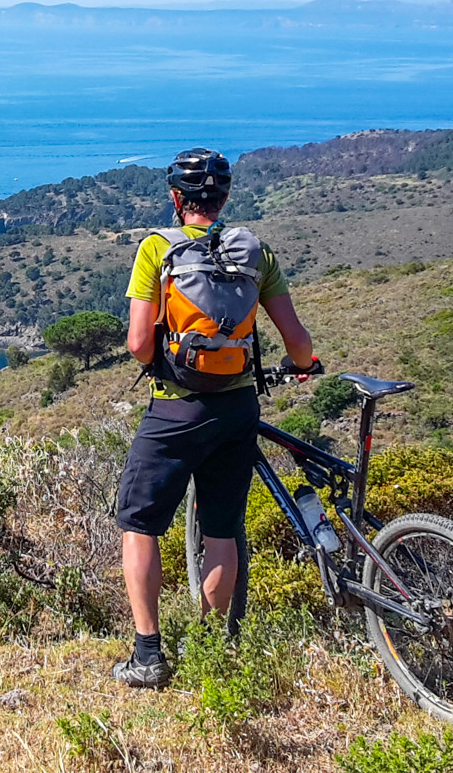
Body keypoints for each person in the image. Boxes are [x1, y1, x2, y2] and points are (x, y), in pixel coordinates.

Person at [111, 148, 317, 688]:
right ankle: (206, 647)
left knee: (138, 524)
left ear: (176, 199)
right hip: (238, 408)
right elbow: (297, 344)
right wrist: (305, 365)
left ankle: (148, 656)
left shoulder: (157, 250)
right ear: (223, 199)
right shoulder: (257, 254)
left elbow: (136, 344)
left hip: (177, 409)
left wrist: (168, 349)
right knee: (222, 532)